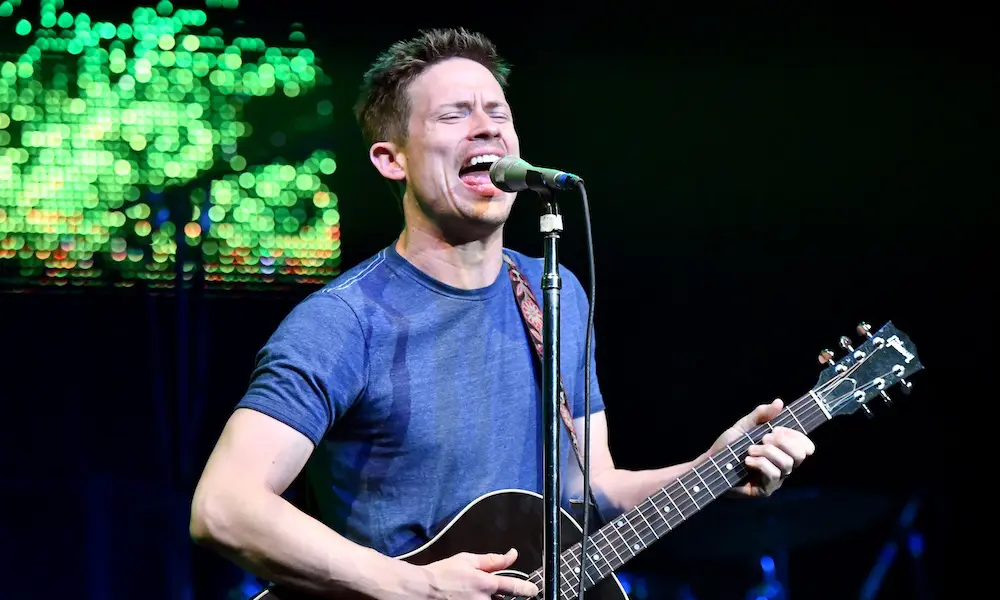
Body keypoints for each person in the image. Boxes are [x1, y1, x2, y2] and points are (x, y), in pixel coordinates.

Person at [189, 27, 817, 600]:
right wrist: (416, 587)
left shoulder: (555, 292)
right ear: (391, 158)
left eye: (497, 114)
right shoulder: (347, 321)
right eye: (454, 115)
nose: (485, 128)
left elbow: (587, 495)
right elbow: (224, 507)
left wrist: (712, 468)